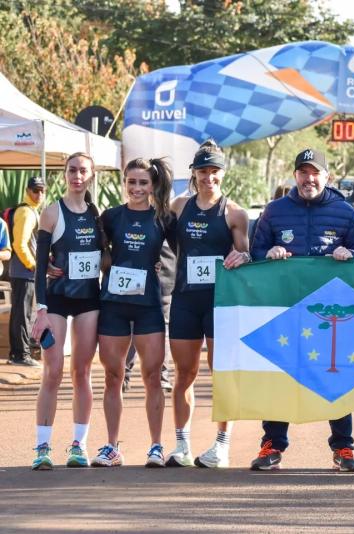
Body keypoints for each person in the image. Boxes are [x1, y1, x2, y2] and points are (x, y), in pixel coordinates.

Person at [249, 148, 354, 472]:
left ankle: (343, 447)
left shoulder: (346, 213)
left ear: (326, 177)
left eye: (315, 172)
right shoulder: (274, 212)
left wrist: (351, 253)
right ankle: (272, 444)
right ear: (295, 176)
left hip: (331, 314)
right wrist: (268, 251)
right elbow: (255, 252)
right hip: (286, 309)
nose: (309, 178)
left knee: (335, 375)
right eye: (303, 172)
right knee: (281, 375)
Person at [166, 140, 251, 468]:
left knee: (222, 373)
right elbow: (167, 244)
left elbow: (246, 254)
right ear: (194, 174)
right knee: (184, 373)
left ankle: (222, 445)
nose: (209, 177)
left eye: (214, 171)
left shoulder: (235, 213)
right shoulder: (178, 207)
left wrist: (241, 256)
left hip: (220, 303)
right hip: (186, 298)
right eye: (203, 171)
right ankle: (182, 445)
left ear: (223, 174)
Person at [91, 157, 173, 468]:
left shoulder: (163, 219)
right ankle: (112, 447)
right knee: (113, 376)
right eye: (132, 182)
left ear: (152, 186)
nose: (136, 188)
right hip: (113, 304)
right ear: (125, 183)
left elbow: (184, 252)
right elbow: (94, 250)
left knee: (152, 376)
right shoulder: (111, 217)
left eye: (143, 182)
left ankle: (155, 446)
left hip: (149, 306)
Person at [29, 153, 104, 470]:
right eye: (72, 170)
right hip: (57, 301)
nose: (77, 176)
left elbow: (105, 256)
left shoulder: (96, 213)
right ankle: (42, 447)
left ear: (91, 176)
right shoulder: (51, 213)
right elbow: (40, 265)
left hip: (88, 299)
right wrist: (41, 309)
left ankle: (79, 445)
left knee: (82, 372)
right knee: (54, 370)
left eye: (82, 171)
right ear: (64, 175)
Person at [123, 241, 175, 393]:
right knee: (136, 323)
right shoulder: (170, 217)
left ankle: (161, 376)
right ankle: (127, 375)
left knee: (159, 326)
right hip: (139, 275)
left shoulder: (168, 218)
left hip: (163, 278)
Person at [7, 176, 46, 367]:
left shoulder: (30, 211)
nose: (38, 194)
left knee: (20, 313)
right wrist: (33, 266)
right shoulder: (26, 213)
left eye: (41, 191)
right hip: (24, 271)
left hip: (23, 270)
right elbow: (19, 244)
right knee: (23, 314)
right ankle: (21, 355)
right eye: (35, 190)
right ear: (27, 191)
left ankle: (17, 353)